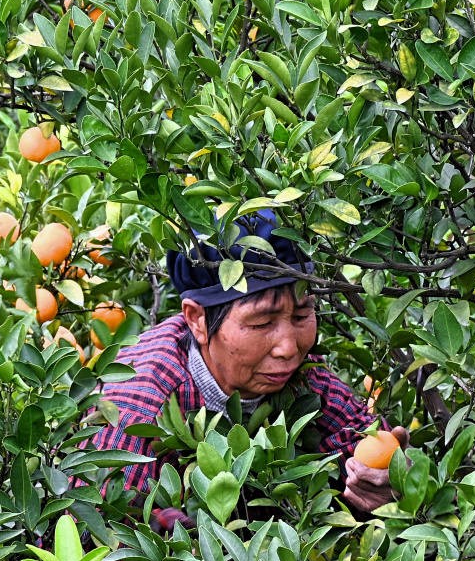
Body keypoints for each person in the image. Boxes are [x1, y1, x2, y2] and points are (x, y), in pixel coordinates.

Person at [81, 209, 408, 535]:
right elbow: (97, 545)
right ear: (196, 319)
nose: (289, 348)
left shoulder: (300, 377)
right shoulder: (140, 405)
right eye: (262, 322)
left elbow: (359, 442)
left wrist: (387, 480)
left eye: (301, 315)